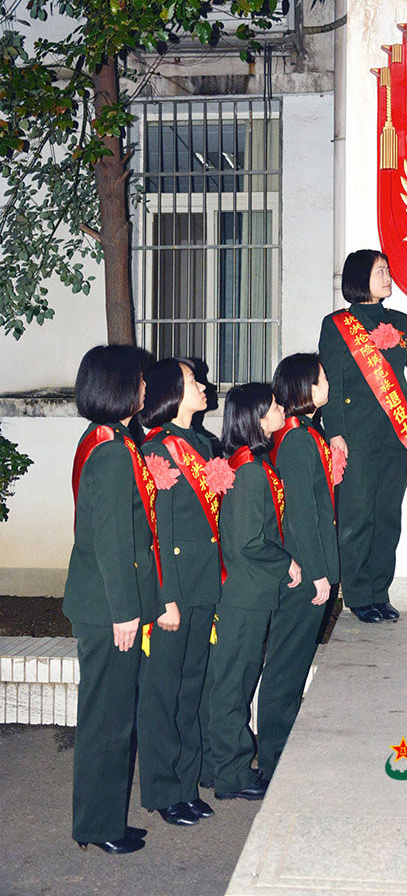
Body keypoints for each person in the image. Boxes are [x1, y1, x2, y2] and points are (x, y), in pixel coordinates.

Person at [63, 345, 165, 854]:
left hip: (106, 603)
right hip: (108, 609)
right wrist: (126, 611)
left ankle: (101, 820)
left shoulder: (108, 439)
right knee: (107, 721)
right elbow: (111, 540)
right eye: (140, 380)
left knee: (110, 716)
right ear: (119, 386)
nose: (146, 387)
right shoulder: (110, 449)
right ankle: (99, 827)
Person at [318, 249, 407, 623]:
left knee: (386, 517)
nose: (388, 276)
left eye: (388, 270)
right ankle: (360, 596)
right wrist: (337, 434)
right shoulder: (337, 325)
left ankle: (380, 592)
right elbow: (332, 382)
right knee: (357, 518)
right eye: (381, 271)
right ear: (360, 277)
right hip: (357, 437)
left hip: (397, 435)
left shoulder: (400, 321)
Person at [137, 358, 222, 826]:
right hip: (175, 591)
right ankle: (163, 791)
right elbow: (157, 529)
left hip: (204, 583)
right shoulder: (157, 448)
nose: (203, 386)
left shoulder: (203, 444)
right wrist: (165, 596)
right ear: (172, 390)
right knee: (162, 694)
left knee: (193, 690)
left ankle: (187, 785)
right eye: (193, 381)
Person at [208, 383, 301, 800]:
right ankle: (232, 776)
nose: (282, 409)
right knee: (233, 686)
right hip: (243, 596)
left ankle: (220, 768)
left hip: (251, 593)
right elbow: (248, 542)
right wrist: (287, 563)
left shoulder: (253, 464)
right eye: (275, 406)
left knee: (234, 682)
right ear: (257, 418)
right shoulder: (248, 472)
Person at [260, 353, 340, 779]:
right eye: (322, 377)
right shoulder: (294, 440)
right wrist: (318, 572)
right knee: (285, 667)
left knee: (293, 664)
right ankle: (273, 759)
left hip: (313, 570)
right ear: (305, 388)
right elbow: (302, 516)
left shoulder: (308, 433)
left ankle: (282, 753)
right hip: (305, 577)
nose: (327, 382)